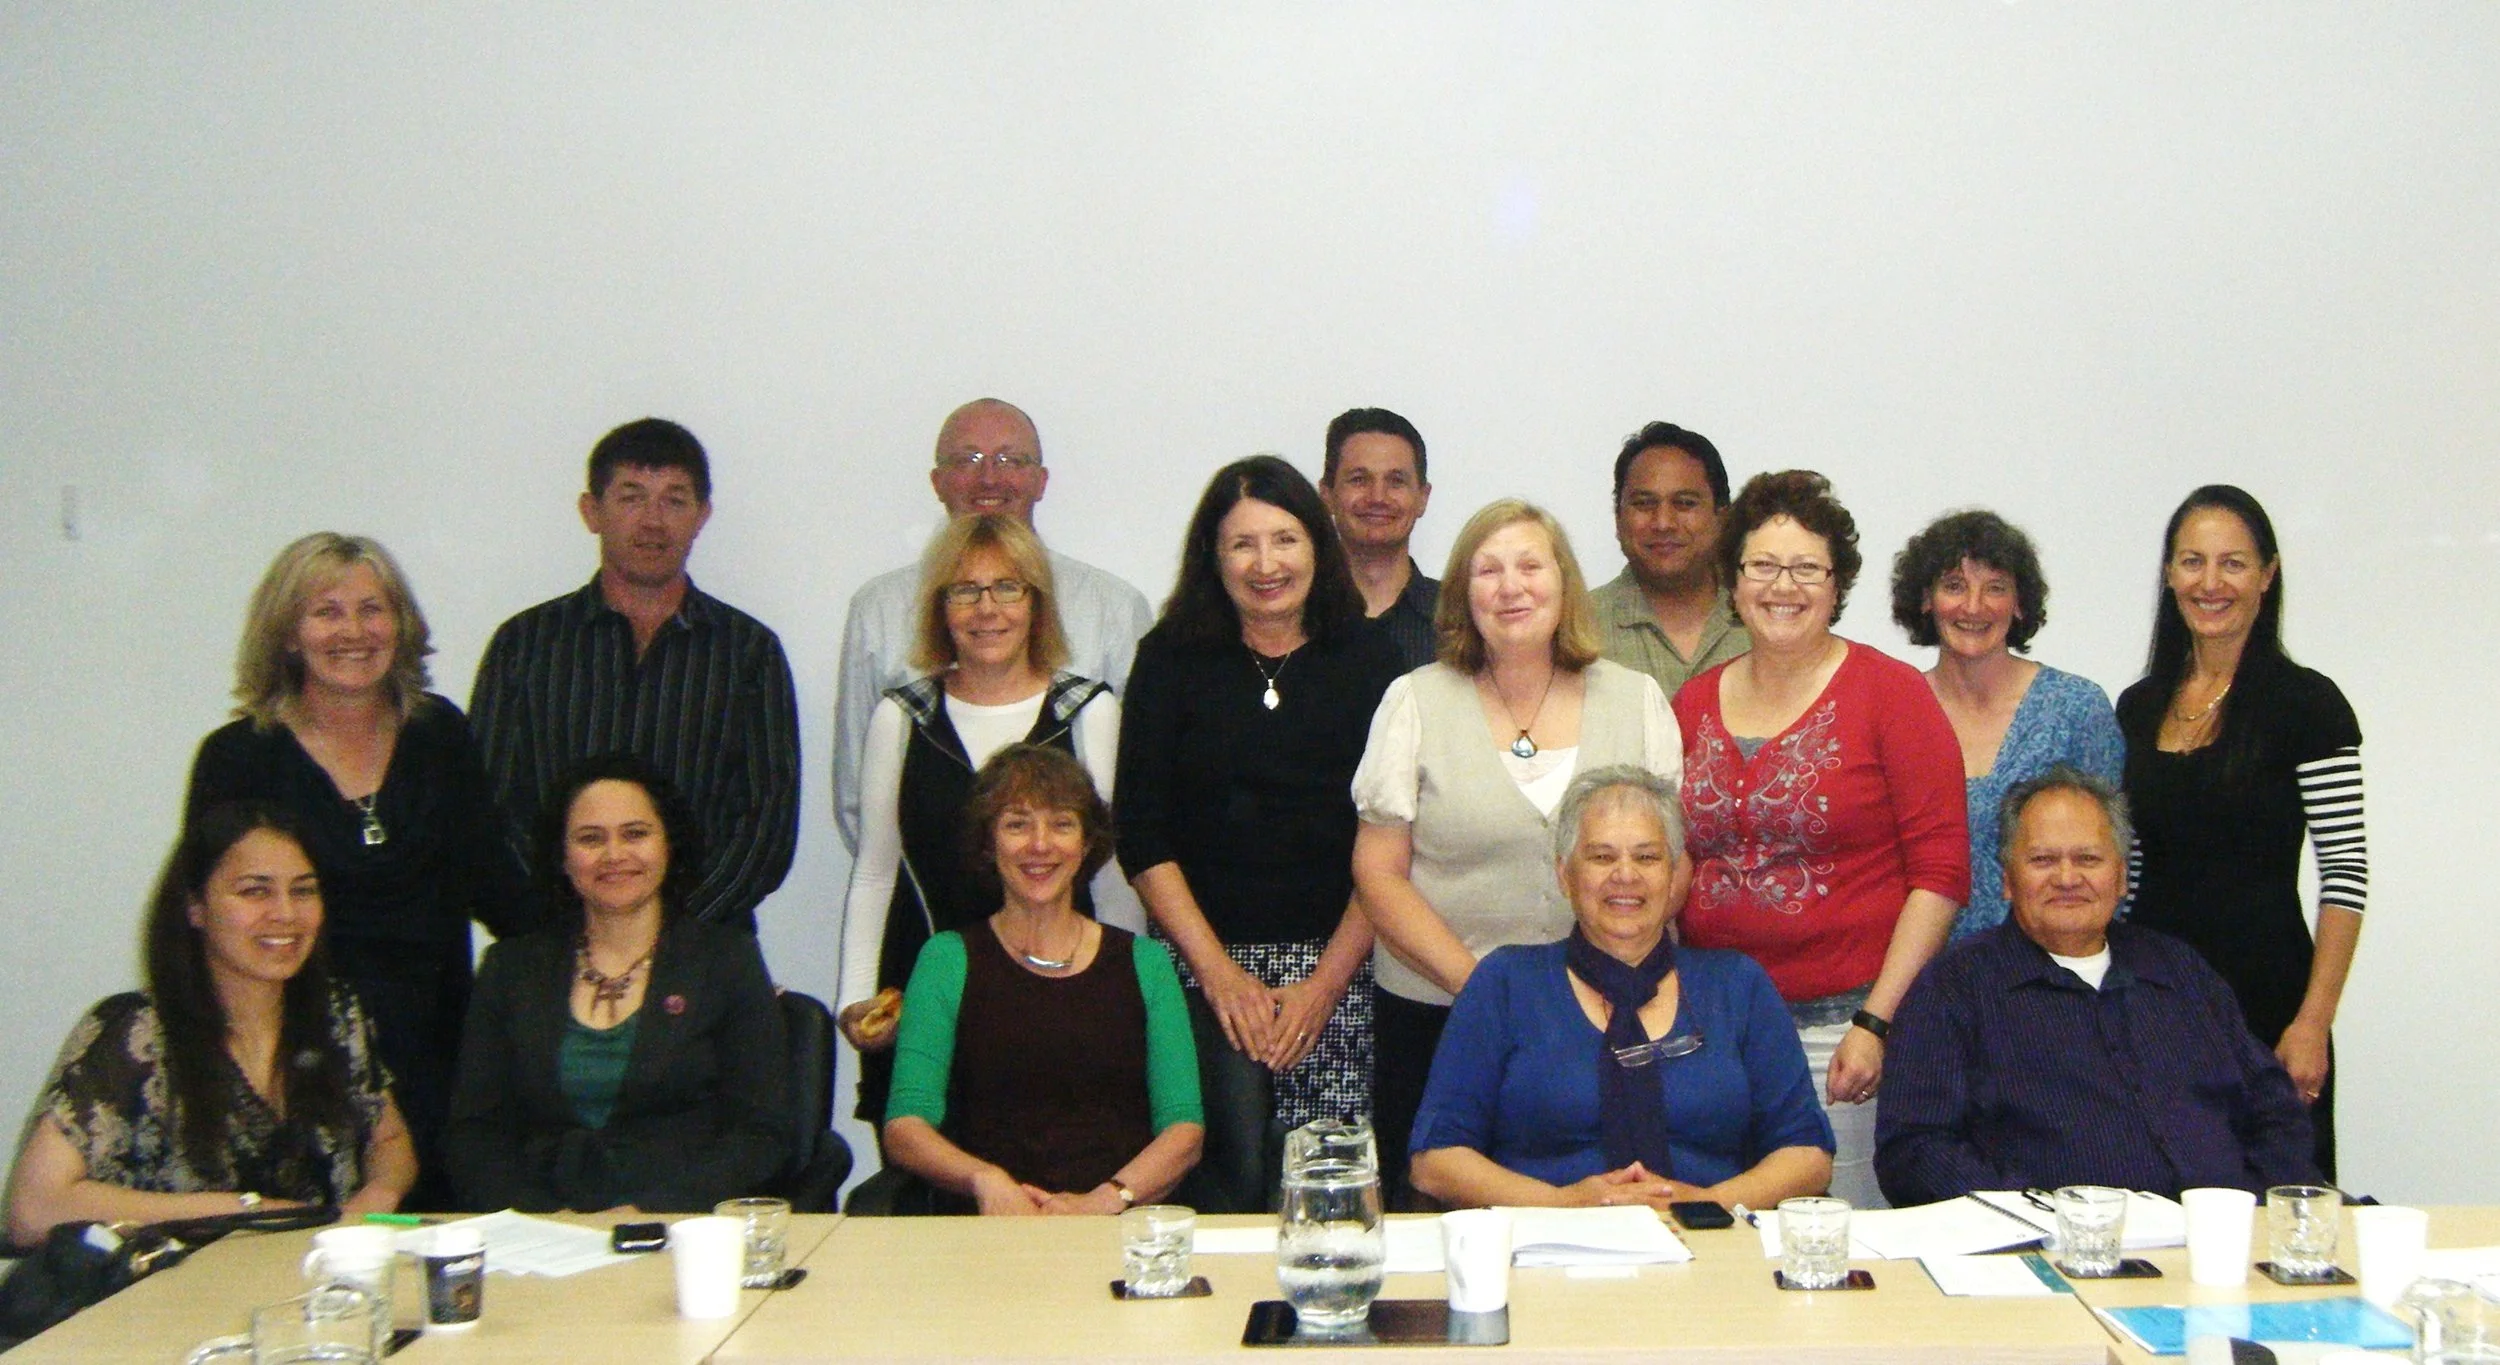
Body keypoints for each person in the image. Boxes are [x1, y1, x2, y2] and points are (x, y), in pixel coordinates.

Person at [186, 532, 530, 1210]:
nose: (353, 631)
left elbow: (499, 887)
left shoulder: (441, 735)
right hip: (303, 1056)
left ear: (400, 625)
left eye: (373, 609)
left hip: (440, 1049)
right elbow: (210, 915)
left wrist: (625, 947)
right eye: (327, 612)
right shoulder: (238, 758)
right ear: (288, 633)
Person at [1353, 499, 1681, 1207]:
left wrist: (1593, 986)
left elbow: (1672, 863)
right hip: (1438, 1017)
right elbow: (1378, 874)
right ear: (1462, 592)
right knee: (1441, 1221)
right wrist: (1487, 995)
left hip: (1609, 1015)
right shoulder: (1413, 701)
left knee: (1606, 1212)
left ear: (1564, 584)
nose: (1511, 587)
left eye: (1530, 566)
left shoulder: (1637, 700)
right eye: (1489, 570)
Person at [1114, 454, 1403, 1212]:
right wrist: (1219, 976)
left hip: (1343, 970)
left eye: (1285, 539)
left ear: (1318, 545)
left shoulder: (1372, 659)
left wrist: (1323, 988)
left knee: (1331, 1200)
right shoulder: (1169, 658)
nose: (1266, 564)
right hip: (1197, 972)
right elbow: (1141, 833)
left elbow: (1393, 837)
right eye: (1242, 544)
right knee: (1215, 1190)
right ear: (1212, 557)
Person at [1673, 470, 1968, 1208]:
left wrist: (1876, 1022)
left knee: (1836, 1240)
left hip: (1842, 1033)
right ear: (1733, 581)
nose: (1784, 586)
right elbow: (1675, 859)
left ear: (1837, 586)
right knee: (1720, 1237)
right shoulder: (1692, 702)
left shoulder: (1893, 695)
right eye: (1763, 565)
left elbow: (1940, 874)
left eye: (1807, 568)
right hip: (1712, 1031)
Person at [1875, 769, 2318, 1203]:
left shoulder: (2181, 971)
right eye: (2043, 860)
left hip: (2224, 1232)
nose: (2067, 879)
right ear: (2007, 879)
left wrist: (2253, 1207)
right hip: (2056, 1242)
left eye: (2088, 859)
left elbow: (2274, 1109)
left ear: (2121, 877)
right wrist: (2037, 1212)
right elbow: (1914, 1151)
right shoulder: (1955, 989)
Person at [1409, 766, 1833, 1210]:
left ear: (1674, 874)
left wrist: (1707, 1204)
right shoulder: (1505, 983)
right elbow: (1436, 1160)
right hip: (1546, 1239)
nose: (1625, 875)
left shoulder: (1737, 985)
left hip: (1712, 1237)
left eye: (1647, 857)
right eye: (1602, 857)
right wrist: (1563, 1205)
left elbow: (1808, 1155)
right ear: (1564, 875)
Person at [834, 513, 1139, 1123]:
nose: (987, 609)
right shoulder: (902, 717)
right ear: (940, 609)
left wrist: (1123, 990)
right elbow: (875, 872)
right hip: (925, 1001)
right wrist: (855, 998)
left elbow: (1114, 874)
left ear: (1037, 603)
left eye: (1007, 587)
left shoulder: (1088, 711)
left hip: (1064, 997)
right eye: (964, 591)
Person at [5, 803, 413, 1245]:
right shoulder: (135, 1033)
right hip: (174, 1284)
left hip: (314, 1276)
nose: (285, 913)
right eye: (255, 891)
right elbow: (34, 1209)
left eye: (303, 891)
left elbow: (389, 1140)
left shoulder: (335, 1014)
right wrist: (244, 1211)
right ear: (195, 907)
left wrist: (377, 1197)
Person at [2115, 485, 2366, 1177]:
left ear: (2267, 575)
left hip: (2270, 1006)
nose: (2211, 582)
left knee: (2280, 1204)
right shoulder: (2137, 708)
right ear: (2170, 575)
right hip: (2152, 1004)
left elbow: (2345, 873)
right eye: (2193, 561)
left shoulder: (2309, 705)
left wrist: (2313, 1022)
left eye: (2233, 563)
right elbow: (2128, 876)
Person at [470, 417, 800, 933]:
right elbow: (488, 812)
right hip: (552, 945)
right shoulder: (525, 646)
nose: (653, 521)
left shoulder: (749, 653)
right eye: (631, 497)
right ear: (591, 511)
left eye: (674, 500)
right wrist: (572, 932)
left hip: (702, 949)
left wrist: (669, 934)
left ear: (702, 515)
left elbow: (766, 829)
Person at [444, 755, 791, 1212]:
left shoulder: (726, 961)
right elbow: (473, 1134)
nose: (614, 855)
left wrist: (649, 1213)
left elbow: (762, 1133)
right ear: (562, 857)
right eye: (590, 838)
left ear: (669, 844)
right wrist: (540, 1218)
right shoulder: (509, 969)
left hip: (680, 1222)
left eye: (635, 834)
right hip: (539, 1227)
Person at [883, 746, 1203, 1214]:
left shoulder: (1145, 963)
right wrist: (984, 1180)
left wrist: (1103, 1201)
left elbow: (1184, 1130)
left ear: (1087, 842)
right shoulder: (946, 960)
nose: (1039, 845)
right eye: (1017, 824)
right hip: (984, 1228)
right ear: (988, 843)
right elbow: (905, 1127)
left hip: (1115, 1226)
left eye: (1061, 824)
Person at [834, 399, 1155, 854]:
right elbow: (857, 800)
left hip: (1072, 892)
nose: (988, 478)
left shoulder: (1116, 609)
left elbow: (1137, 794)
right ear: (937, 482)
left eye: (1010, 460)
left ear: (1041, 481)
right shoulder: (878, 610)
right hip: (929, 892)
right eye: (967, 459)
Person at [1887, 510, 2124, 941]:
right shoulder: (1895, 711)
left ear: (2019, 603)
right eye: (1954, 586)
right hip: (1918, 968)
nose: (1973, 606)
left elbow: (2109, 862)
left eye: (1995, 588)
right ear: (1925, 599)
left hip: (2049, 966)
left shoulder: (2076, 709)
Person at [1589, 423, 1750, 698]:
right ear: (1618, 518)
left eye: (1685, 503)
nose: (1663, 523)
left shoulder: (1763, 619)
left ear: (1722, 518)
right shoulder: (1576, 629)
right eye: (1644, 503)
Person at [1316, 407, 1438, 670]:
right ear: (1327, 495)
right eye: (1359, 480)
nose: (1378, 498)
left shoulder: (1461, 620)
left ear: (1422, 498)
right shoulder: (1294, 615)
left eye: (1396, 481)